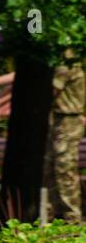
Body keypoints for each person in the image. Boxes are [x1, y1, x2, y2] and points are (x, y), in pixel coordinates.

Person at [44, 55, 85, 222]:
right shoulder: (56, 62)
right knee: (49, 168)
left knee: (64, 169)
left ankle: (71, 217)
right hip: (56, 120)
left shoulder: (66, 63)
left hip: (68, 120)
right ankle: (51, 213)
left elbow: (49, 92)